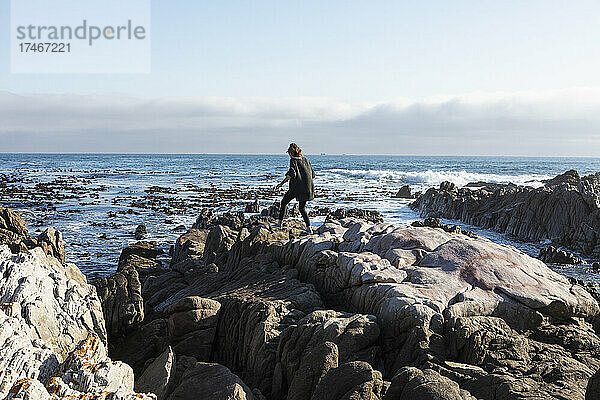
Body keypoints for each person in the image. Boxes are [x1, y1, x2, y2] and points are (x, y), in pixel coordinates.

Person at [274, 143, 315, 233]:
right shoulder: (306, 160)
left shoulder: (293, 161)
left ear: (291, 153)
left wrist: (281, 184)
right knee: (302, 208)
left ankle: (279, 223)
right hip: (308, 188)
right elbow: (313, 174)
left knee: (284, 202)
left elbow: (292, 174)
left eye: (289, 153)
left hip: (296, 188)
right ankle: (309, 228)